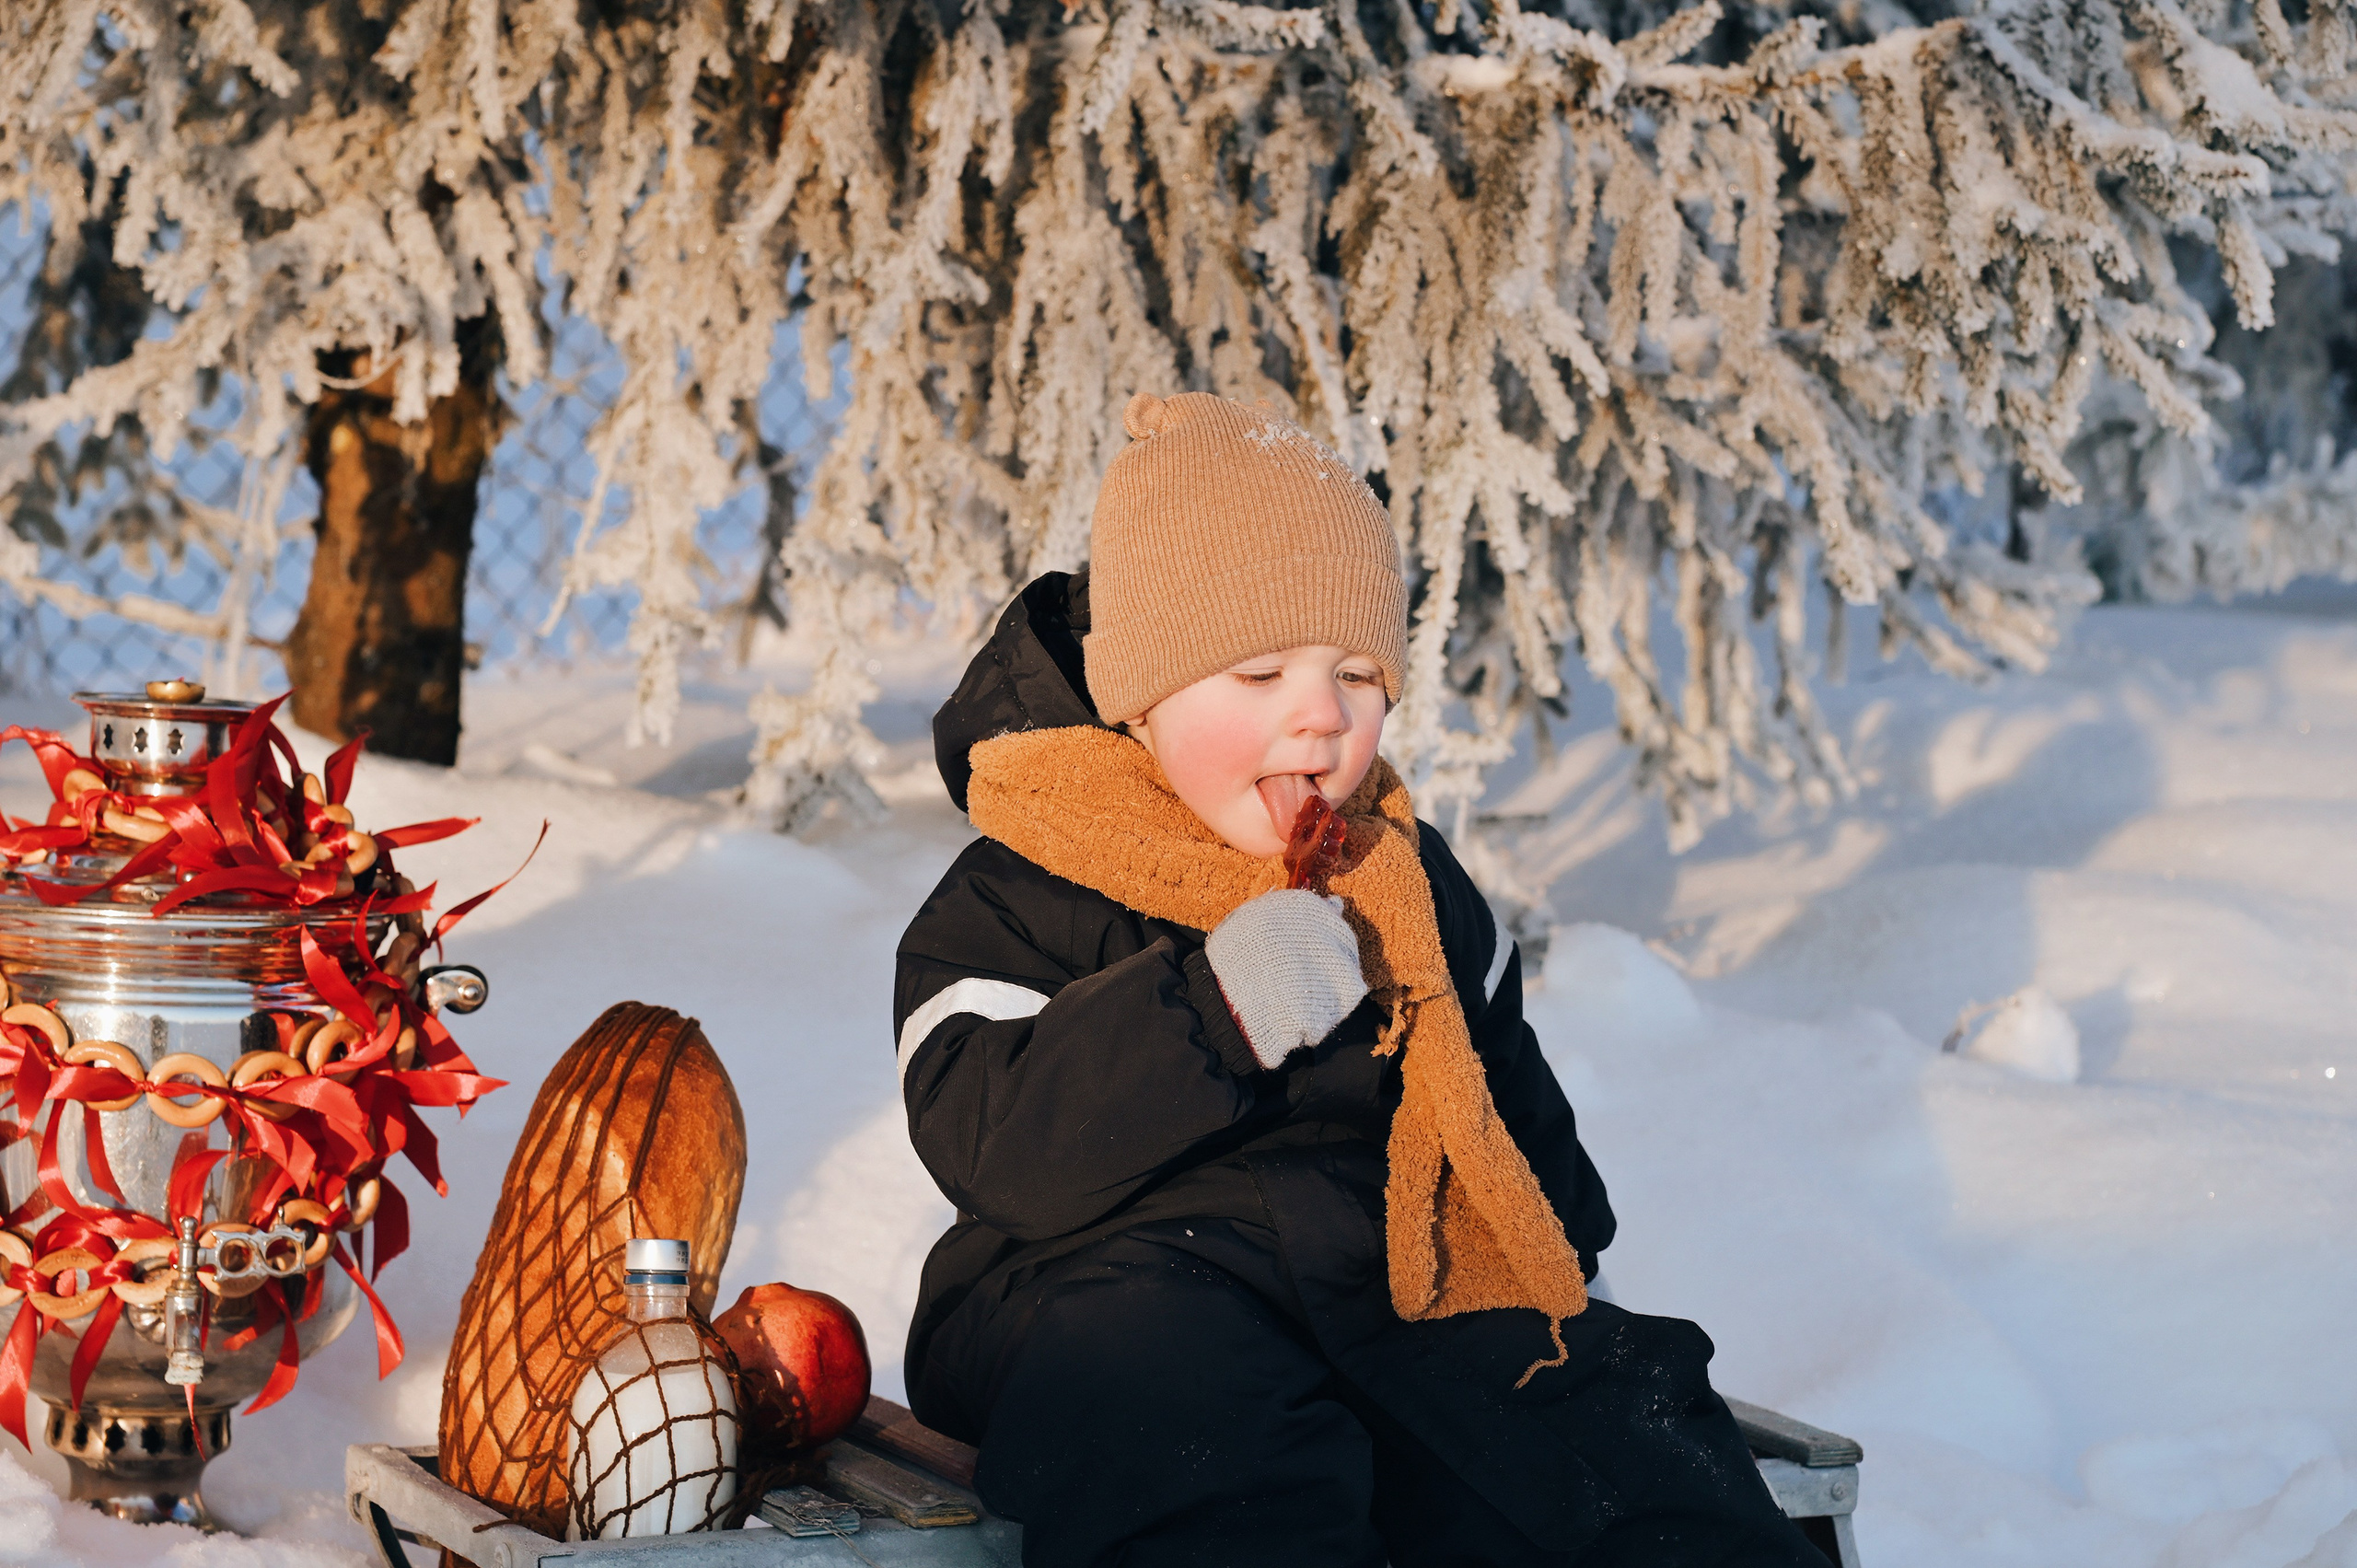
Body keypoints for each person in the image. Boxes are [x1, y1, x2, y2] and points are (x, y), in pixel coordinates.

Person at [894, 390, 1823, 1567]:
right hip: (1096, 1287)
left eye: (1355, 673)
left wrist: (1536, 1271)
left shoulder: (1405, 890)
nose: (1320, 719)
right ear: (1140, 691)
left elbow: (1525, 1158)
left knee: (1617, 1432)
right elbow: (996, 1147)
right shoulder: (1022, 884)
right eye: (1258, 674)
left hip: (1380, 1281)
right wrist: (1210, 1006)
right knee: (1195, 1437)